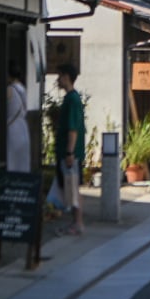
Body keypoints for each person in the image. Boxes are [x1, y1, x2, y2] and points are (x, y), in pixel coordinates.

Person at [55, 63, 85, 235]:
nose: (58, 79)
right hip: (71, 152)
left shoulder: (72, 99)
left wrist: (69, 152)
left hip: (71, 153)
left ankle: (78, 223)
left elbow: (72, 129)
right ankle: (76, 222)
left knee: (73, 188)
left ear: (66, 77)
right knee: (73, 187)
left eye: (59, 76)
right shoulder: (71, 98)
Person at [5, 61, 30, 172]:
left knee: (12, 159)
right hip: (22, 127)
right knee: (22, 160)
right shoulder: (22, 88)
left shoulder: (9, 89)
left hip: (12, 128)